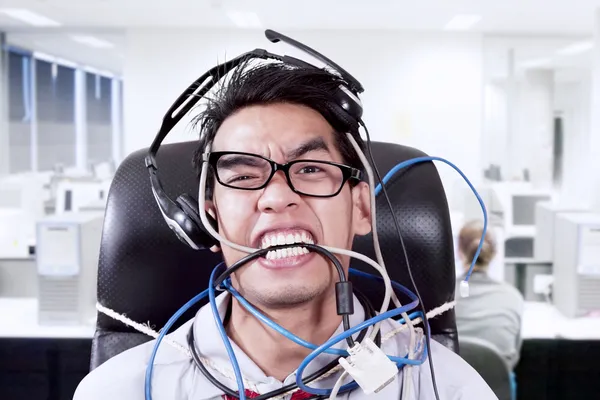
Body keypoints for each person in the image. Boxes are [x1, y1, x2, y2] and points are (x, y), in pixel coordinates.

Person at [74, 60, 496, 400]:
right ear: (209, 218)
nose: (277, 197)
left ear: (361, 208)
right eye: (242, 176)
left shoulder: (447, 388)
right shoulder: (118, 390)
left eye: (311, 169)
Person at [455, 220, 524, 370]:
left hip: (447, 388)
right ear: (494, 254)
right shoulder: (513, 296)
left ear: (459, 251)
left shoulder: (443, 295)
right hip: (497, 388)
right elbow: (514, 355)